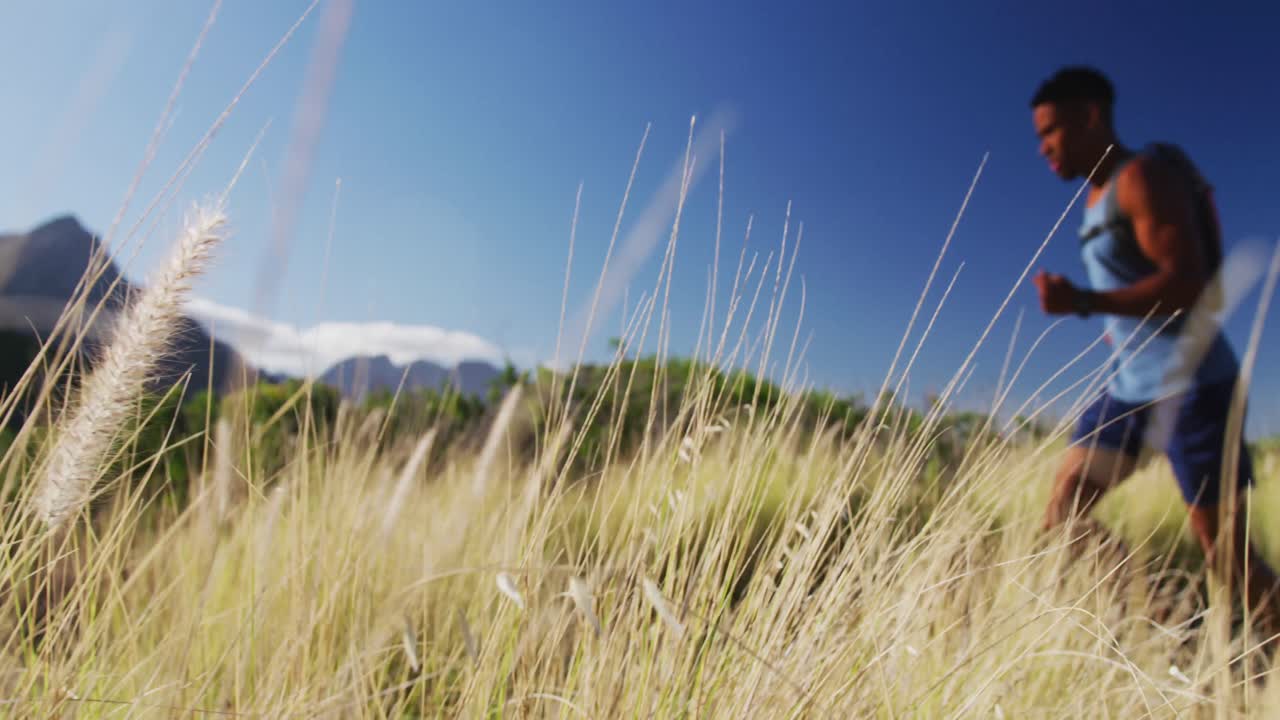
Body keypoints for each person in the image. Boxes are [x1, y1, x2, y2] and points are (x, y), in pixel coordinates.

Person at [1029, 66, 1279, 628]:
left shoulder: (1141, 178)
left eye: (1051, 132)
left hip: (1195, 387)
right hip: (1129, 391)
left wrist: (1084, 300)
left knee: (1229, 557)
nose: (1043, 148)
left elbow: (1190, 285)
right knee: (1064, 511)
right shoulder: (1093, 201)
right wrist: (1101, 311)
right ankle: (1172, 628)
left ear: (1090, 116)